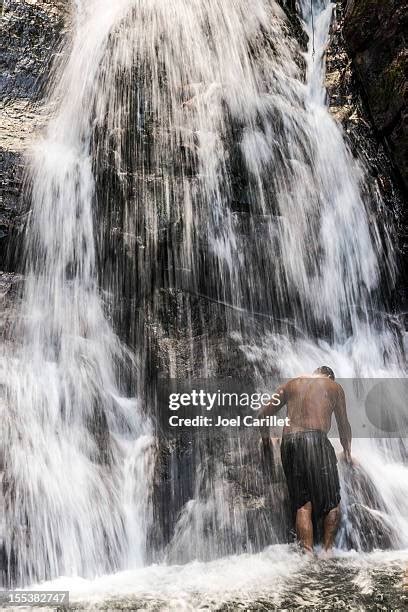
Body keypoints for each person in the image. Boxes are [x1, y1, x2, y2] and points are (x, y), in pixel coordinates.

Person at [259, 366, 352, 555]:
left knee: (302, 504)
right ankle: (327, 553)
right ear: (328, 376)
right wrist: (347, 452)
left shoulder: (291, 384)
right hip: (316, 440)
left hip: (290, 443)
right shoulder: (333, 387)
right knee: (331, 504)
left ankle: (307, 556)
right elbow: (344, 425)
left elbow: (263, 415)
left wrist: (266, 441)